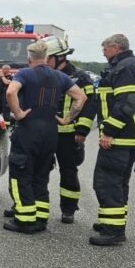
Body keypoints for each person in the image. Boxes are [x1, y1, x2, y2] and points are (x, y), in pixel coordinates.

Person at [3, 41, 86, 234]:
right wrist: (66, 120)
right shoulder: (60, 76)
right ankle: (40, 219)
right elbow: (80, 97)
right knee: (41, 175)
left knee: (21, 174)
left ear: (29, 58)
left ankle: (24, 220)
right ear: (47, 57)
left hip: (28, 131)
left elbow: (10, 91)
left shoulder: (24, 73)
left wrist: (19, 112)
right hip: (50, 132)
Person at [92, 34, 135, 245]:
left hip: (119, 137)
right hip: (127, 137)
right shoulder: (130, 65)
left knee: (107, 183)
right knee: (118, 183)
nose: (103, 52)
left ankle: (113, 230)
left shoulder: (125, 67)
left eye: (105, 49)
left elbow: (127, 103)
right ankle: (113, 222)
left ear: (115, 47)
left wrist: (109, 131)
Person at [45, 35, 97, 224]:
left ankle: (68, 209)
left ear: (60, 57)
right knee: (38, 169)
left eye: (48, 58)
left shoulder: (80, 78)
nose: (45, 61)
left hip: (68, 136)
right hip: (45, 133)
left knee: (68, 171)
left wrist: (81, 130)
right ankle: (29, 204)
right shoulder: (44, 74)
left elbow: (91, 104)